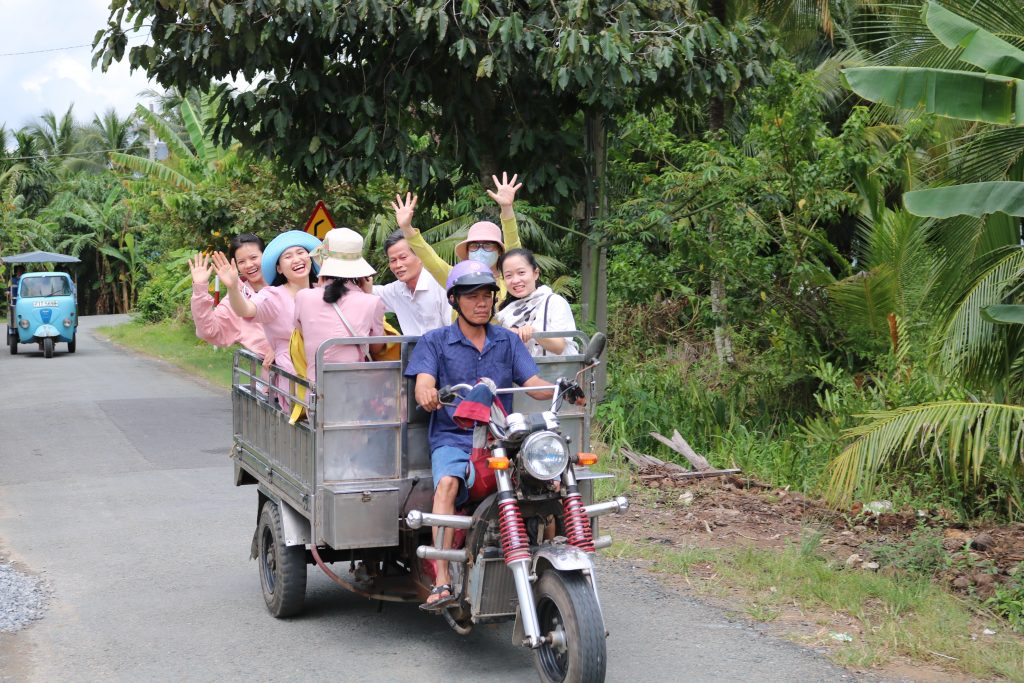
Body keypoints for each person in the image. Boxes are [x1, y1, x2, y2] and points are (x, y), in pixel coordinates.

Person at [405, 260, 555, 610]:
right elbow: (423, 383)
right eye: (472, 296)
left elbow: (532, 384)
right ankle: (441, 580)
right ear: (455, 300)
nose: (482, 302)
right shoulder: (435, 342)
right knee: (447, 486)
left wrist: (563, 388)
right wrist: (426, 392)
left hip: (500, 437)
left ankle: (548, 569)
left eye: (487, 295)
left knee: (548, 482)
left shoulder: (507, 339)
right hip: (453, 438)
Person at [213, 230, 321, 409]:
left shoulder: (324, 291)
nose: (296, 260)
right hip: (292, 378)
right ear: (278, 267)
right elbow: (245, 309)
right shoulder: (272, 296)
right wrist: (232, 288)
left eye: (301, 253)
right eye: (288, 256)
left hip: (324, 373)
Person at [392, 172, 523, 303]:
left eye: (488, 245)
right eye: (474, 246)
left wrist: (506, 208)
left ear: (500, 251)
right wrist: (406, 228)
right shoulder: (457, 277)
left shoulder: (510, 280)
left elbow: (514, 247)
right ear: (467, 251)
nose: (480, 250)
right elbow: (429, 259)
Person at [294, 228, 386, 381]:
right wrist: (367, 293)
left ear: (323, 262)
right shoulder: (371, 302)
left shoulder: (303, 297)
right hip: (354, 388)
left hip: (316, 389)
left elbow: (302, 332)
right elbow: (376, 347)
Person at [189, 233, 271, 358]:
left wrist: (280, 349)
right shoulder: (236, 298)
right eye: (241, 261)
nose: (249, 265)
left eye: (253, 257)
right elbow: (209, 331)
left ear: (265, 255)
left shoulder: (285, 282)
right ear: (236, 265)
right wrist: (200, 289)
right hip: (274, 373)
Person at [497, 248, 579, 357]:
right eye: (508, 275)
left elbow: (560, 347)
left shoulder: (554, 302)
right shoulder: (506, 312)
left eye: (521, 273)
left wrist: (533, 332)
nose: (515, 280)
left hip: (556, 372)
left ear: (535, 273)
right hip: (521, 373)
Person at [371, 229, 452, 335]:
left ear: (420, 257)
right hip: (412, 351)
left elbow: (453, 328)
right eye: (393, 260)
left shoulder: (440, 285)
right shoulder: (396, 290)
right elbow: (364, 292)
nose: (398, 265)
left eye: (403, 257)